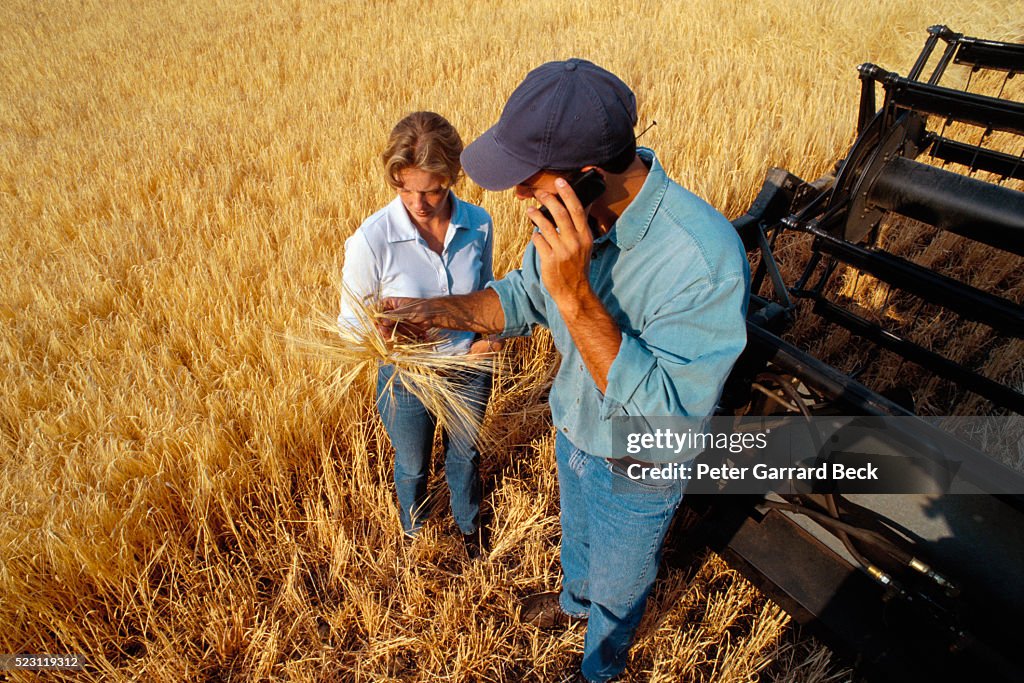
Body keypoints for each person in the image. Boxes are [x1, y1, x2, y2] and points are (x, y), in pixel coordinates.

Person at [381, 61, 750, 681]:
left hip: (638, 462)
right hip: (574, 426)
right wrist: (435, 311)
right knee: (576, 543)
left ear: (587, 177)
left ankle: (599, 661)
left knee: (619, 582)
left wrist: (577, 296)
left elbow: (666, 419)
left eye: (528, 180)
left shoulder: (702, 261)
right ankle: (572, 602)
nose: (518, 196)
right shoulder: (566, 223)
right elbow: (522, 296)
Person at [338, 111, 499, 560]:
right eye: (404, 188)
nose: (417, 202)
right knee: (412, 465)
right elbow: (349, 324)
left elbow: (485, 291)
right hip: (404, 377)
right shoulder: (372, 240)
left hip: (468, 366)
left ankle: (470, 528)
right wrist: (384, 334)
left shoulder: (479, 224)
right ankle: (415, 532)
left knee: (466, 457)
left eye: (430, 190)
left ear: (453, 177)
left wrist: (488, 341)